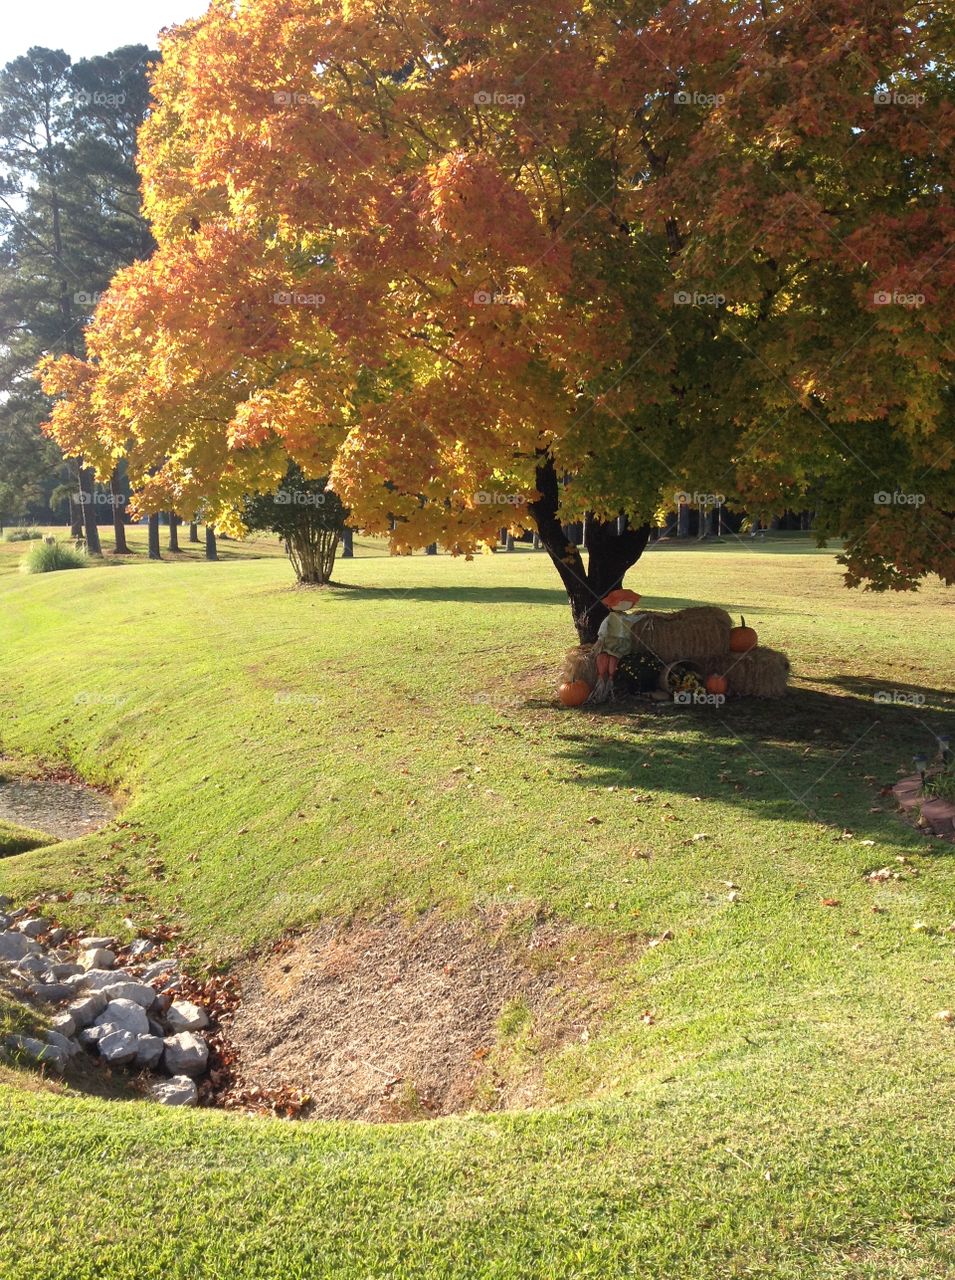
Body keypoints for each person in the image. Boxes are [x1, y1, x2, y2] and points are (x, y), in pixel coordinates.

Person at [589, 588, 643, 702]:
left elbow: (634, 620)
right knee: (606, 657)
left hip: (621, 643)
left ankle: (610, 680)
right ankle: (602, 681)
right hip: (611, 641)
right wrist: (601, 639)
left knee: (614, 658)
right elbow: (603, 629)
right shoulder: (610, 617)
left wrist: (643, 617)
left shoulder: (626, 617)